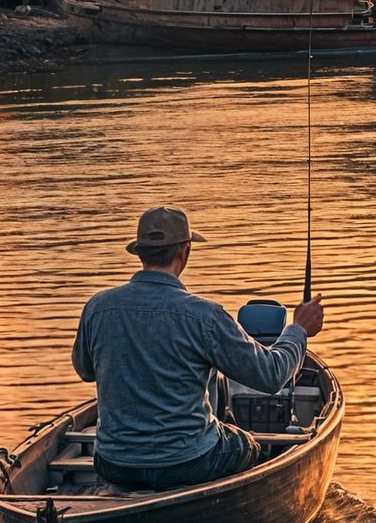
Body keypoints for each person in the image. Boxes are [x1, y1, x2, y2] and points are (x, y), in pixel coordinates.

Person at [73, 205, 325, 490]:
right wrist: (299, 329)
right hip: (187, 462)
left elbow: (85, 370)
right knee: (248, 445)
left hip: (113, 463)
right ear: (185, 251)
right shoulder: (203, 316)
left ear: (140, 253)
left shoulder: (97, 307)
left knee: (215, 388)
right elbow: (270, 376)